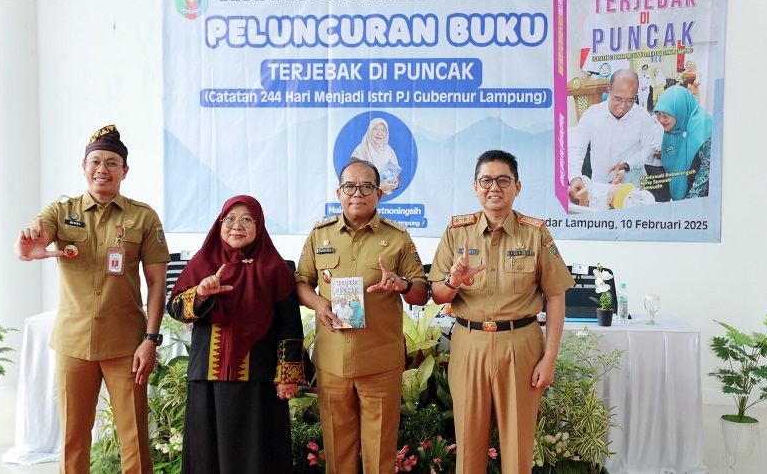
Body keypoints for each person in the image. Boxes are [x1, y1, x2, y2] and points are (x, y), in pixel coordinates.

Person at [13, 125, 170, 474]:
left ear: (124, 171)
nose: (103, 169)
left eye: (112, 162)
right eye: (95, 161)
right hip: (73, 342)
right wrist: (25, 248)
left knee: (134, 438)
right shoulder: (61, 211)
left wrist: (150, 339)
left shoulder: (142, 216)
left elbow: (157, 284)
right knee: (73, 439)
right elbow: (32, 240)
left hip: (126, 344)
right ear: (83, 168)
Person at [428, 150, 575, 474]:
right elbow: (438, 294)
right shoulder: (457, 232)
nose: (494, 187)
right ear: (475, 187)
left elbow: (556, 296)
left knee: (518, 447)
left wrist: (549, 359)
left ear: (517, 187)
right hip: (469, 344)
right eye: (486, 181)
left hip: (520, 346)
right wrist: (454, 281)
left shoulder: (535, 233)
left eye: (503, 180)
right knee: (468, 446)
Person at [295, 159, 429, 474]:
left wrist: (402, 284)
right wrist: (319, 304)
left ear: (379, 194)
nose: (358, 193)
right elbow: (301, 283)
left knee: (380, 455)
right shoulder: (320, 234)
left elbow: (422, 293)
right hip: (332, 361)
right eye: (350, 186)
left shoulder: (397, 237)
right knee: (337, 453)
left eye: (367, 186)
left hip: (379, 360)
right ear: (339, 193)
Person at [166, 195, 304, 473]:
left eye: (246, 219)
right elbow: (176, 309)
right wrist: (200, 294)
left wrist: (287, 376)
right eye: (229, 219)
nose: (236, 226)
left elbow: (289, 324)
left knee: (256, 454)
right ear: (220, 224)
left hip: (258, 379)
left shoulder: (275, 267)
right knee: (206, 453)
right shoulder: (202, 263)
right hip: (207, 376)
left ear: (259, 225)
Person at [567, 68, 660, 202]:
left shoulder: (642, 116)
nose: (623, 105)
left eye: (630, 100)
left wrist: (627, 165)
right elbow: (576, 148)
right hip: (599, 188)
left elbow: (649, 148)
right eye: (618, 99)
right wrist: (575, 177)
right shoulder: (592, 114)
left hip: (632, 188)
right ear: (608, 92)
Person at [652, 85, 713, 200]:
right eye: (658, 114)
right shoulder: (677, 124)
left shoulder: (703, 127)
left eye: (666, 115)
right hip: (680, 190)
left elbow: (706, 169)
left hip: (700, 194)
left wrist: (691, 199)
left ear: (680, 110)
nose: (661, 120)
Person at [350, 117, 402, 195]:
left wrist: (396, 183)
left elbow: (396, 174)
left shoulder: (389, 150)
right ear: (370, 131)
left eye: (383, 130)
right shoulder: (360, 151)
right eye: (376, 129)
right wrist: (380, 186)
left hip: (386, 196)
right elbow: (355, 179)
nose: (379, 133)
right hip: (365, 196)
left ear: (387, 134)